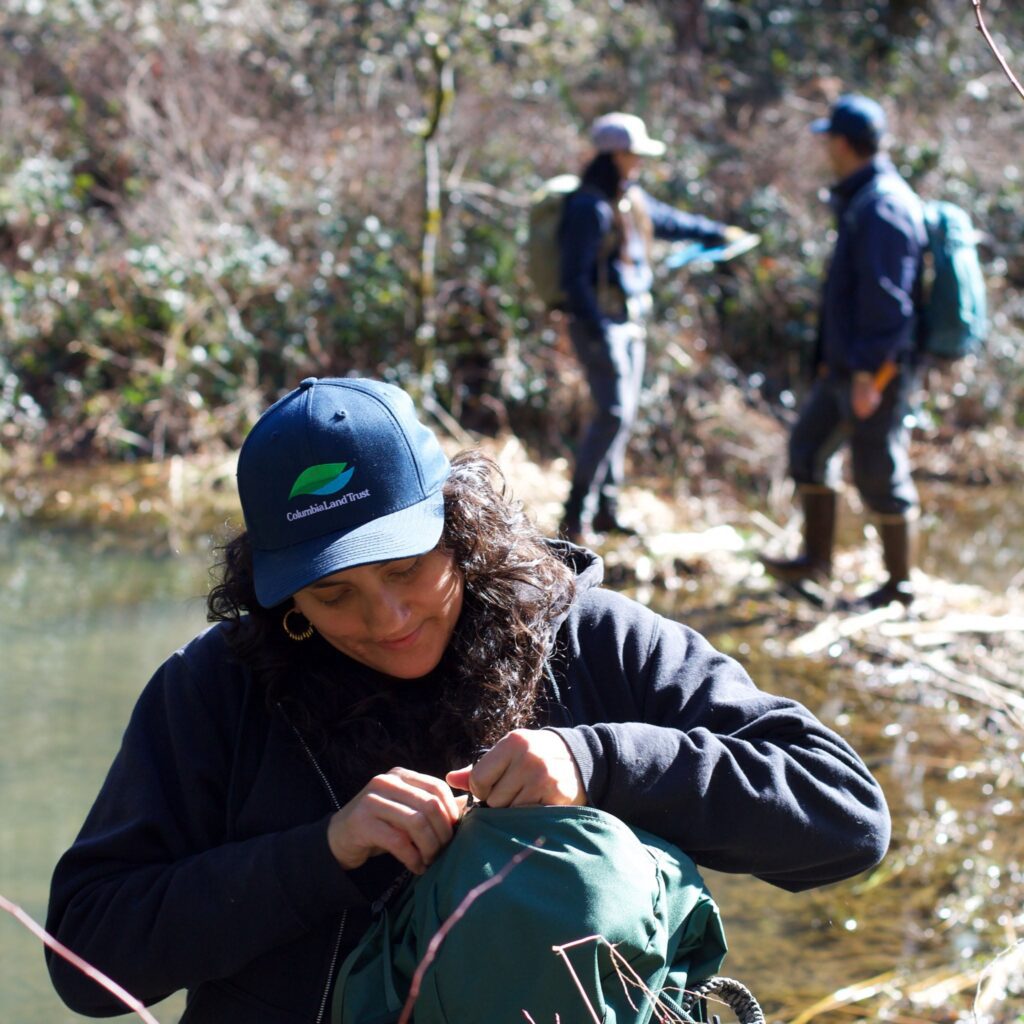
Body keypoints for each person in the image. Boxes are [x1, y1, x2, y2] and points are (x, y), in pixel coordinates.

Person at [46, 376, 891, 1024]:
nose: (388, 619)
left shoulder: (588, 639)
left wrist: (601, 763)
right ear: (275, 594)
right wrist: (320, 857)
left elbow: (846, 819)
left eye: (406, 568)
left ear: (457, 526)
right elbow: (84, 953)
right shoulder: (213, 692)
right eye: (332, 595)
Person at [762, 94, 926, 608]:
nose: (824, 148)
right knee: (808, 450)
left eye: (827, 139)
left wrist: (868, 377)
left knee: (878, 469)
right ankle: (816, 561)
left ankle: (901, 588)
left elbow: (888, 301)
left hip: (875, 371)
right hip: (844, 367)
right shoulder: (864, 197)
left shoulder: (883, 205)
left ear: (841, 143)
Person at [558, 112, 742, 545]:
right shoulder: (589, 207)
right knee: (613, 413)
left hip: (628, 322)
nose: (639, 161)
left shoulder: (629, 198)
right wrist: (598, 327)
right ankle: (574, 516)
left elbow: (671, 222)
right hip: (601, 327)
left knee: (621, 417)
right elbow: (573, 278)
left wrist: (720, 233)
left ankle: (607, 512)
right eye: (633, 153)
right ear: (613, 155)